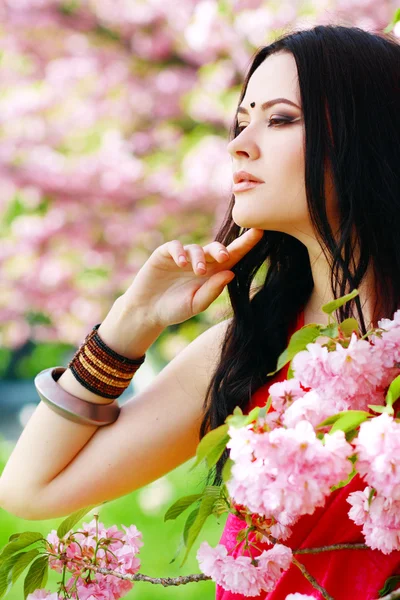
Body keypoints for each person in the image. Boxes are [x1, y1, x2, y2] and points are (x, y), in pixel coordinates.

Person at [1, 22, 400, 599]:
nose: (240, 143)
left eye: (282, 119)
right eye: (242, 121)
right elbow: (30, 488)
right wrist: (128, 324)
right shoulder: (252, 347)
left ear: (369, 136)